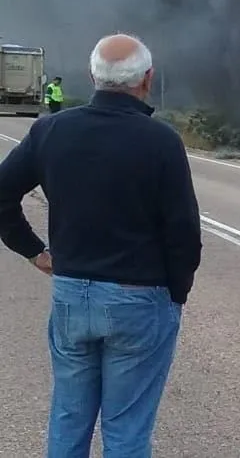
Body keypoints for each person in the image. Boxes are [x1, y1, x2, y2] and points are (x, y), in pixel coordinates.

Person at [0, 33, 203, 457]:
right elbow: (183, 231)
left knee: (69, 418)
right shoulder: (161, 141)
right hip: (140, 298)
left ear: (93, 76)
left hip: (72, 293)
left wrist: (34, 251)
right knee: (126, 429)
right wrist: (176, 294)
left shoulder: (51, 130)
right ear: (147, 79)